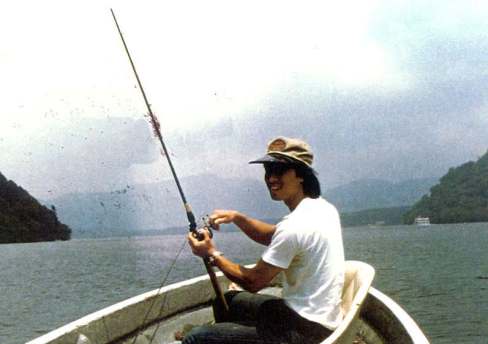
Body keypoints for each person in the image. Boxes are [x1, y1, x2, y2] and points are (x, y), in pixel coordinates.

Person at [184, 136, 345, 344]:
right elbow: (273, 235)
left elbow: (253, 282)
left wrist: (211, 253)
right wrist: (237, 217)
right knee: (226, 301)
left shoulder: (295, 225)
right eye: (268, 171)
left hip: (303, 334)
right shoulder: (323, 208)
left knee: (194, 339)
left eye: (279, 170)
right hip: (318, 319)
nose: (271, 178)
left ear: (301, 175)